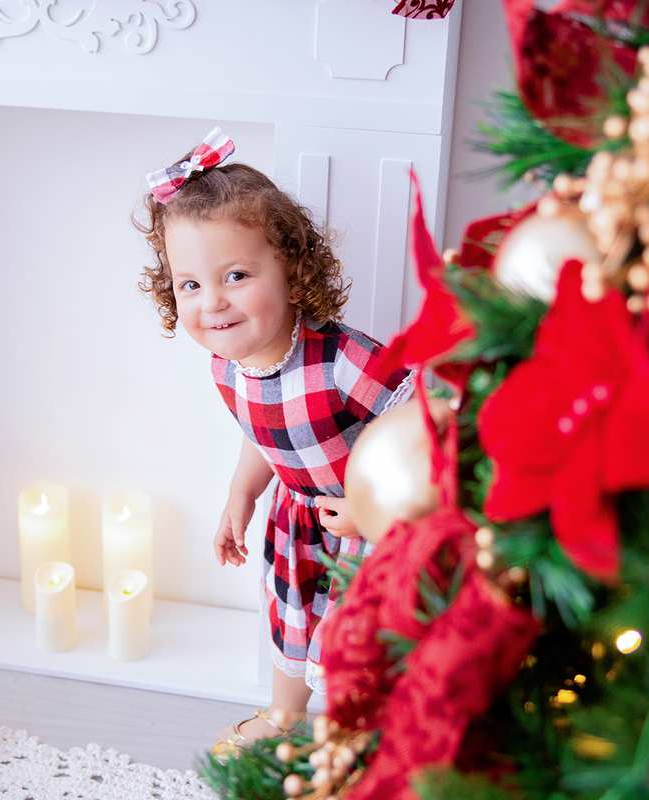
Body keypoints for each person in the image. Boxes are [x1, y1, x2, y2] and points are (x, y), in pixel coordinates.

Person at [136, 129, 413, 748]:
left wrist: (374, 508)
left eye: (235, 275)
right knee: (294, 620)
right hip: (300, 522)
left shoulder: (342, 362)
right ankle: (285, 716)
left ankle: (361, 739)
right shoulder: (228, 369)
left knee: (360, 642)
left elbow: (421, 429)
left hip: (371, 527)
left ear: (291, 268)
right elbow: (264, 436)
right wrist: (243, 495)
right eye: (190, 284)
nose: (212, 302)